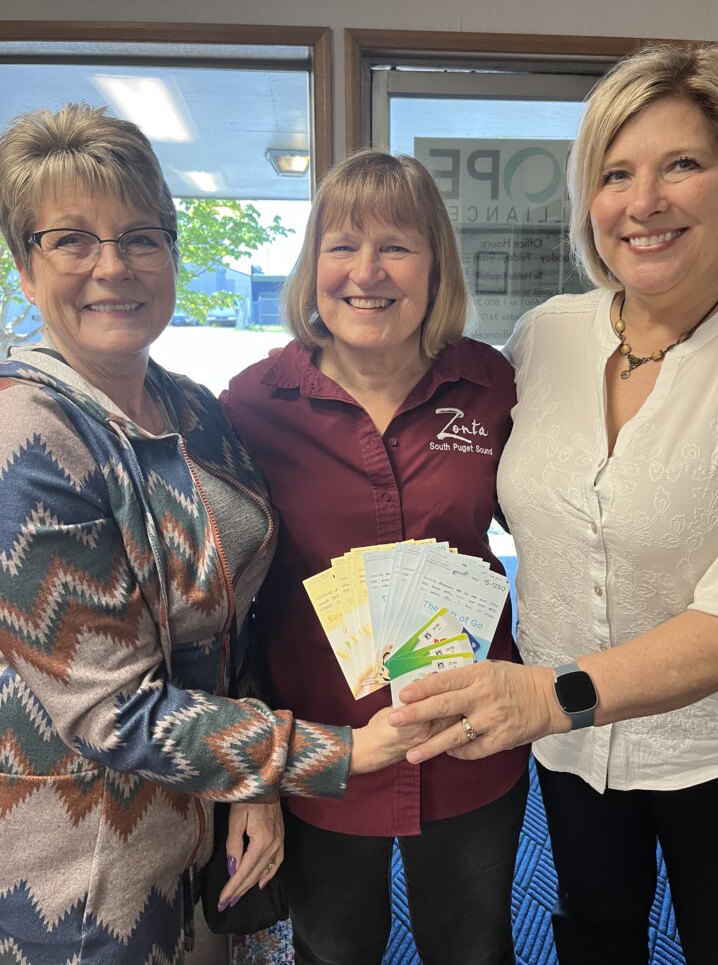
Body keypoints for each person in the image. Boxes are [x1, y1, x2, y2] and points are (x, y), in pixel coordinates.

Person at [0, 105, 435, 965]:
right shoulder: (28, 437)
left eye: (140, 238)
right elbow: (112, 711)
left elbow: (233, 623)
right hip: (84, 863)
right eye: (71, 240)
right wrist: (339, 752)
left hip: (204, 831)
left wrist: (252, 784)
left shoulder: (194, 408)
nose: (113, 267)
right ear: (24, 267)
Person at [389, 44, 718, 965]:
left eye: (683, 164)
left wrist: (552, 696)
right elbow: (473, 486)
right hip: (569, 751)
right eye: (615, 173)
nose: (644, 202)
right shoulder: (543, 336)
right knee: (595, 936)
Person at [221, 149, 530, 965]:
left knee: (474, 949)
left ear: (435, 265)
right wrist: (253, 773)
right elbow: (222, 605)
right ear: (312, 265)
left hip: (468, 736)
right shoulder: (252, 405)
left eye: (396, 246)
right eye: (342, 246)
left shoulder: (491, 386)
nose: (367, 272)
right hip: (326, 747)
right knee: (334, 950)